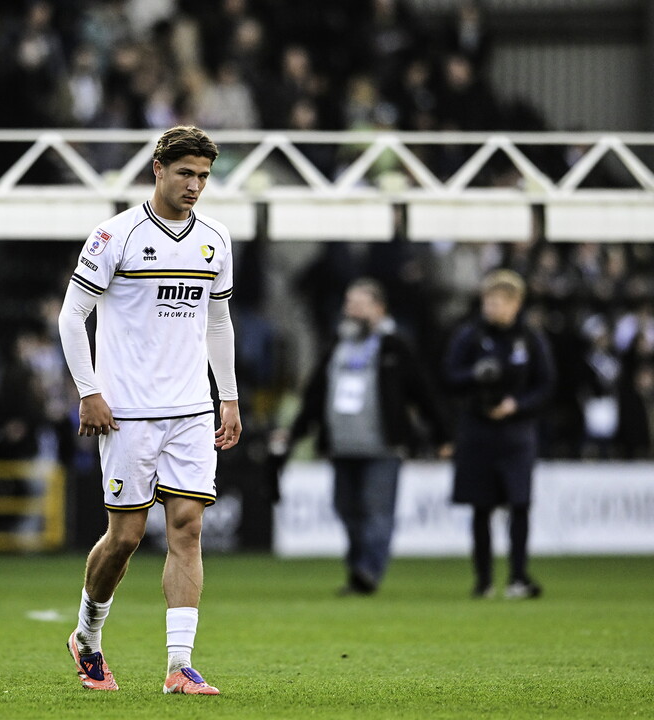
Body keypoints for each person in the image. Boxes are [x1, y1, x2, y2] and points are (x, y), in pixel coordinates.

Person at [58, 125, 240, 695]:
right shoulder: (115, 235)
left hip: (191, 408)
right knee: (126, 536)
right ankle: (87, 636)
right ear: (158, 169)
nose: (195, 185)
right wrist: (88, 390)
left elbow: (218, 321)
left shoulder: (215, 239)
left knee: (187, 528)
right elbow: (71, 317)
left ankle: (179, 666)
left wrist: (228, 396)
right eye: (186, 173)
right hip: (128, 410)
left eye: (204, 176)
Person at [275, 278, 452, 595]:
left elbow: (423, 393)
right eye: (348, 303)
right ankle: (359, 569)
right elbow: (316, 395)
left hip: (383, 446)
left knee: (376, 511)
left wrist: (442, 435)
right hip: (342, 446)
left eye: (358, 303)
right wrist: (295, 433)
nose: (351, 309)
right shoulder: (337, 345)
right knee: (346, 510)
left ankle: (368, 571)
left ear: (379, 308)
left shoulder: (395, 347)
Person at [443, 269, 555, 599]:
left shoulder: (531, 338)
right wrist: (474, 377)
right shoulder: (470, 336)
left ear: (515, 303)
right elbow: (448, 376)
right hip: (477, 432)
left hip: (516, 434)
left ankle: (518, 577)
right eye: (487, 301)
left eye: (497, 302)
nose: (491, 308)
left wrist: (517, 405)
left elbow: (547, 384)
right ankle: (483, 580)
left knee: (519, 504)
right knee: (481, 506)